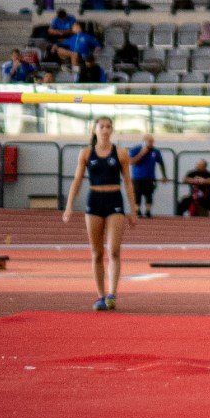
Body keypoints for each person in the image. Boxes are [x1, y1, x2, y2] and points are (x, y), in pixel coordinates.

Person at [62, 116, 137, 311]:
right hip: (94, 202)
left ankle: (112, 294)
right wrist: (69, 205)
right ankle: (100, 295)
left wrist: (133, 208)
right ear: (94, 130)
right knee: (96, 253)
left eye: (108, 126)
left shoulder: (120, 153)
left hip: (114, 201)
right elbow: (77, 180)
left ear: (112, 130)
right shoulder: (86, 153)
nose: (105, 129)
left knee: (113, 250)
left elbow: (128, 182)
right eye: (101, 126)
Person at [127, 134, 167, 219]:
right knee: (137, 194)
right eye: (150, 141)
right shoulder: (135, 149)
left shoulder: (155, 151)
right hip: (137, 177)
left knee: (149, 194)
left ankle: (148, 211)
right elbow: (131, 162)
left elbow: (161, 163)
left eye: (153, 141)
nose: (152, 143)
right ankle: (138, 211)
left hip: (150, 177)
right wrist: (142, 153)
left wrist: (164, 175)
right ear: (144, 141)